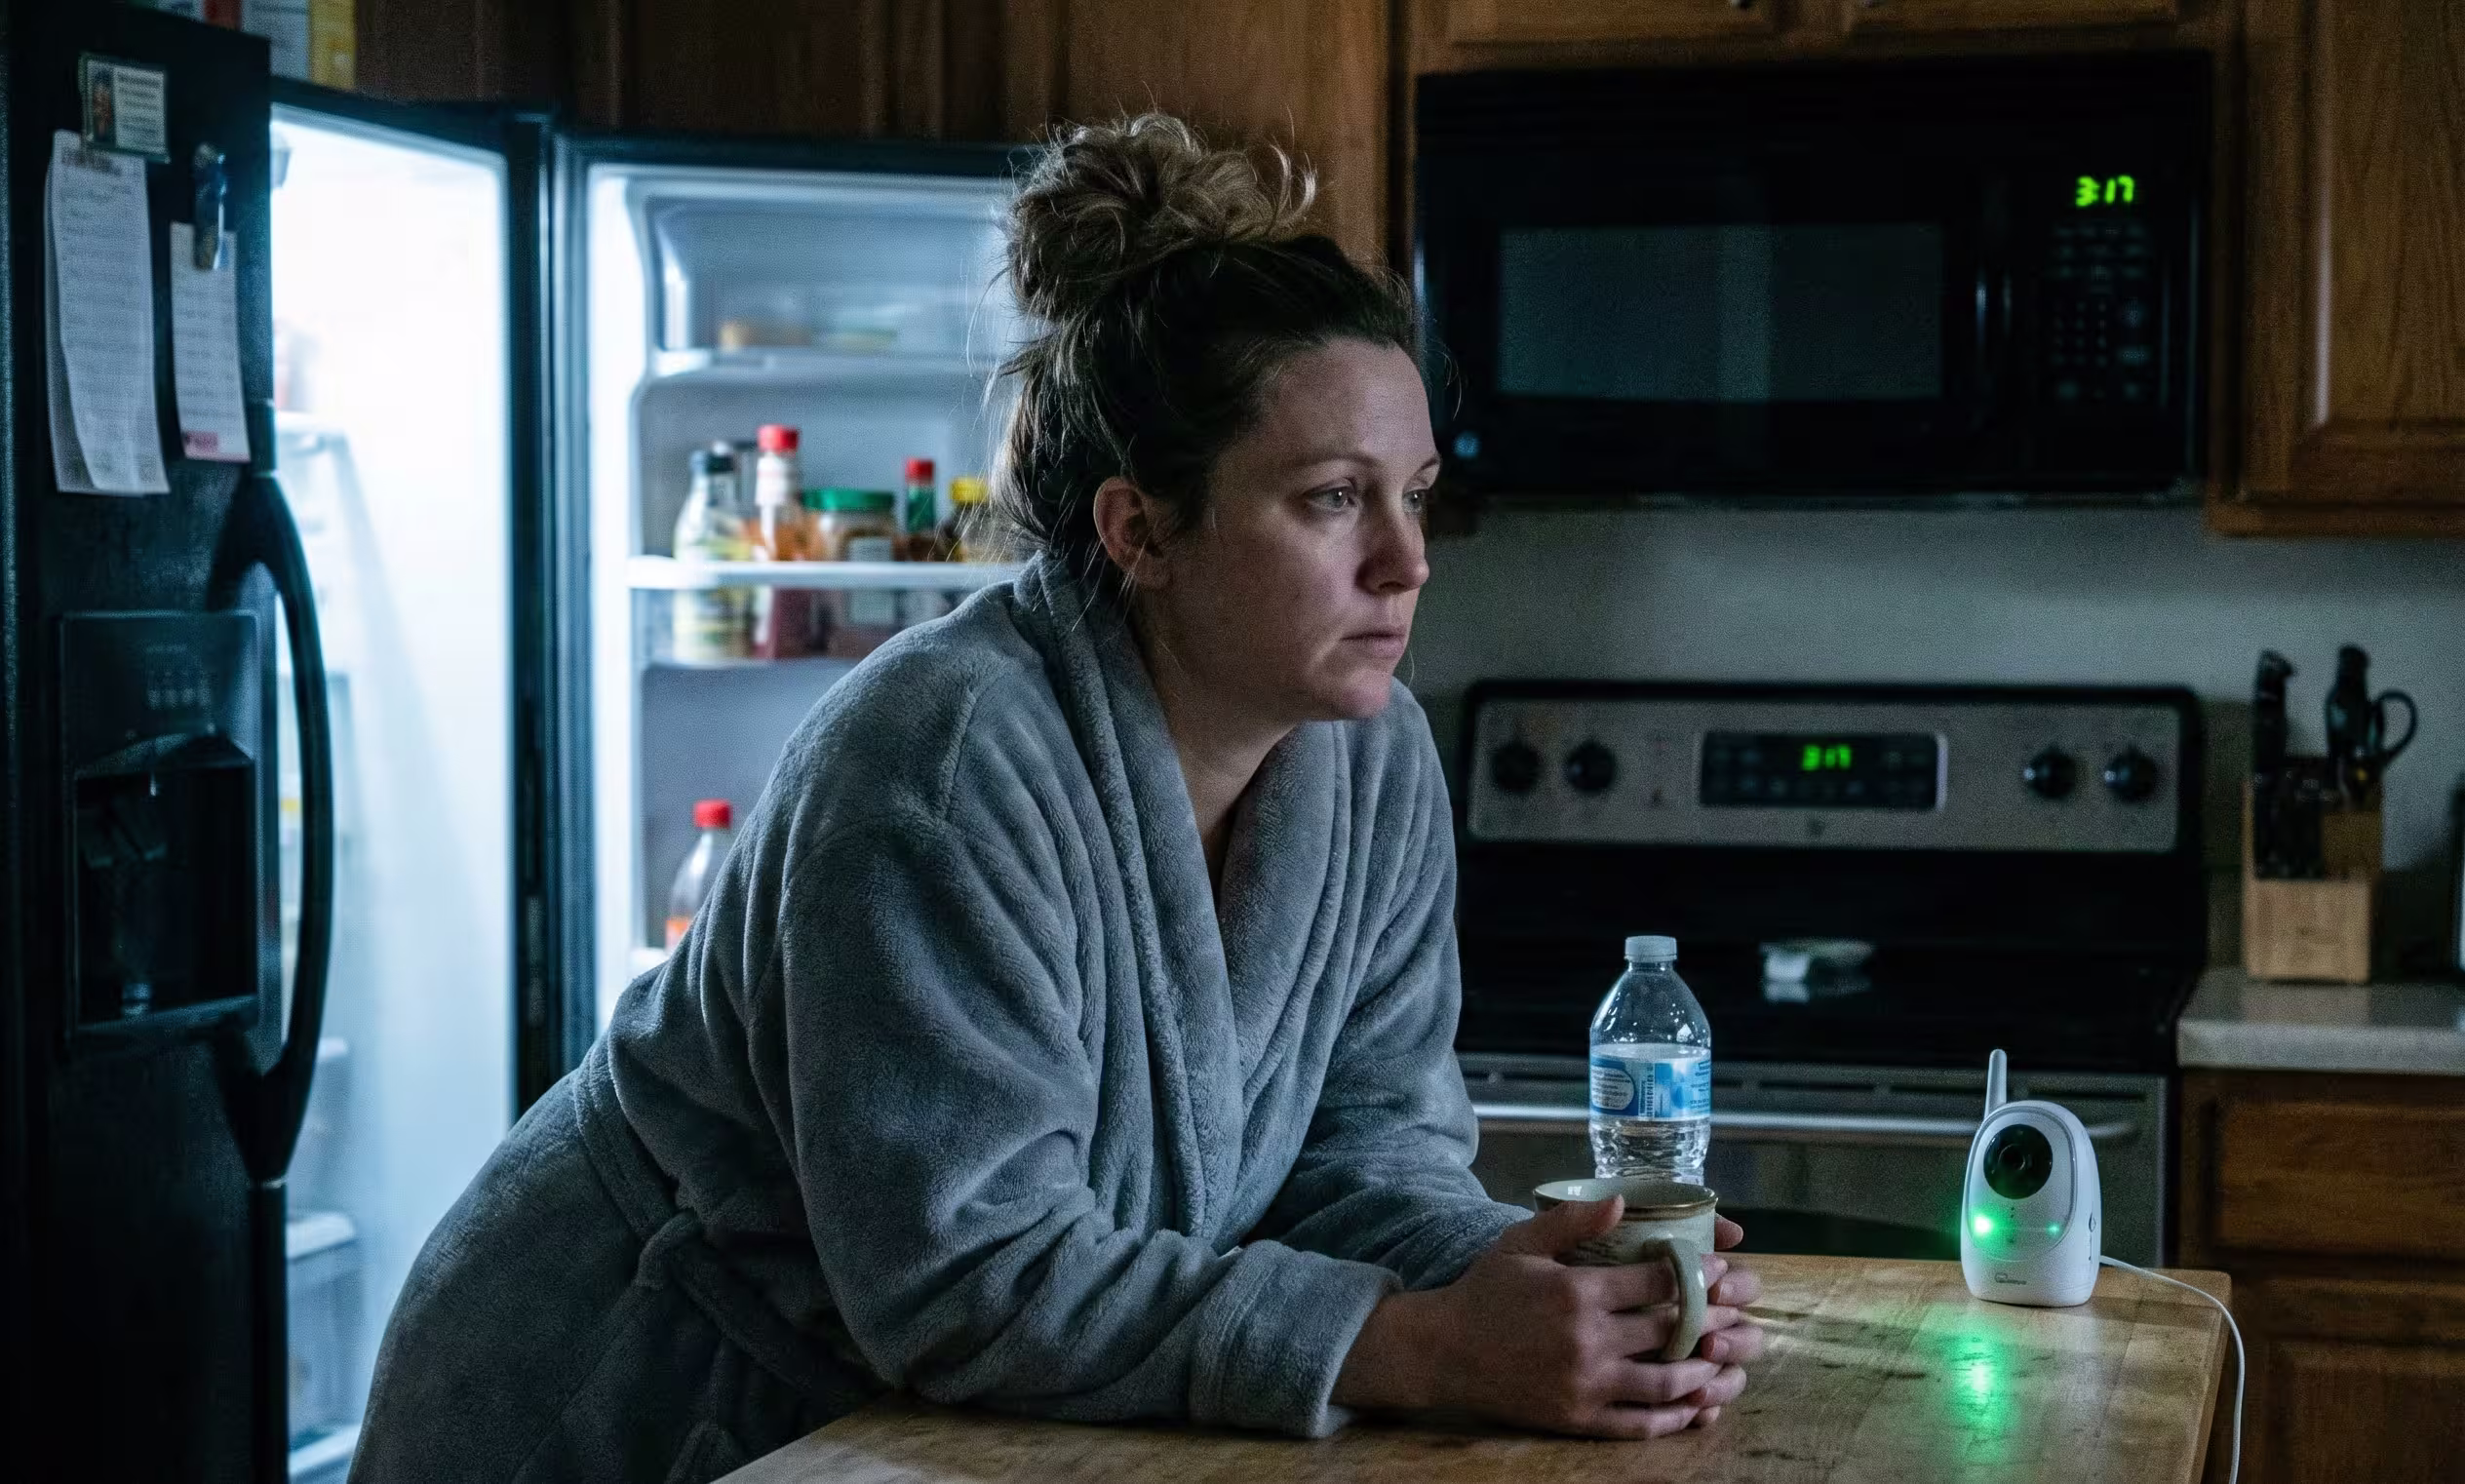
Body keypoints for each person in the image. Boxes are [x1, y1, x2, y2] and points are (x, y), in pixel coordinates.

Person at [352, 114, 1765, 1483]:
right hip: (633, 1404)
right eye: (1335, 499)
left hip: (927, 1424)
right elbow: (969, 1270)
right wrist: (1425, 1347)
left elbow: (1366, 1153)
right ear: (1139, 527)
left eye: (1415, 491)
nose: (1408, 562)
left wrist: (1550, 1287)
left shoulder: (1373, 755)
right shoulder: (942, 764)